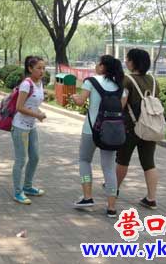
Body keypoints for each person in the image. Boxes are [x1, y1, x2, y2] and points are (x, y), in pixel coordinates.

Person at [71, 55, 127, 218]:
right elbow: (120, 108)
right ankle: (111, 207)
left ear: (103, 67)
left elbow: (81, 102)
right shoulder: (120, 86)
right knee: (109, 167)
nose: (96, 65)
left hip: (91, 130)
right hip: (111, 132)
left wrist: (74, 97)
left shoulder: (91, 81)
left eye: (98, 63)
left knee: (84, 160)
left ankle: (87, 197)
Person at [116, 48, 160, 210]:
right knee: (149, 163)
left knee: (122, 160)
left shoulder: (126, 80)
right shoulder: (153, 80)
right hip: (150, 127)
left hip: (130, 128)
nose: (126, 62)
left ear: (133, 62)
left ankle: (114, 188)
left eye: (127, 59)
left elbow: (121, 104)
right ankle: (151, 198)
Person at [12, 56, 47, 205]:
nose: (42, 71)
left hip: (31, 126)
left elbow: (32, 104)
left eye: (43, 68)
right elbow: (19, 107)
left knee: (35, 157)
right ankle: (17, 192)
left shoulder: (39, 83)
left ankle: (27, 186)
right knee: (21, 160)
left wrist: (38, 112)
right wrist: (37, 115)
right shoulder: (26, 84)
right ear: (30, 68)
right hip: (20, 126)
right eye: (38, 68)